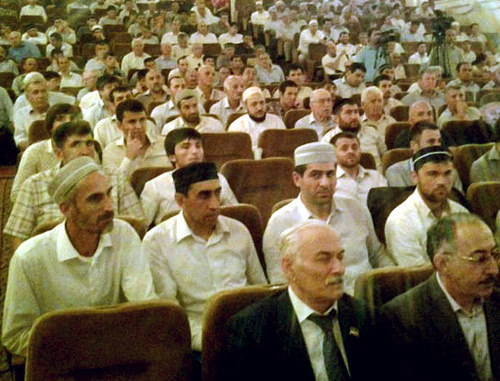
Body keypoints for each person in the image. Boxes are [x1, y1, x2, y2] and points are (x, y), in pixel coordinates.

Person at [2, 156, 156, 356]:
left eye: (109, 194)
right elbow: (15, 335)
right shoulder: (28, 258)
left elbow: (145, 306)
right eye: (95, 199)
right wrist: (79, 349)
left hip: (119, 354)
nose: (109, 207)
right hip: (61, 363)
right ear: (66, 209)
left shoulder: (124, 235)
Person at [225, 220, 377, 381]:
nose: (339, 268)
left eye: (340, 257)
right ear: (288, 268)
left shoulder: (365, 317)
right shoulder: (252, 330)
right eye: (324, 259)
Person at [143, 161, 266, 351]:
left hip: (251, 334)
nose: (215, 205)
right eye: (204, 196)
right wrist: (213, 342)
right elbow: (171, 316)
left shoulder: (238, 231)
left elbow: (260, 291)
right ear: (180, 201)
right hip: (199, 343)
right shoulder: (157, 242)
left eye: (217, 193)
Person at [380, 213, 500, 381]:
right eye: (480, 259)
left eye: (494, 255)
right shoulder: (403, 318)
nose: (493, 270)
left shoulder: (496, 300)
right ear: (443, 264)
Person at [263, 142, 392, 292]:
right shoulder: (280, 223)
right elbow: (281, 282)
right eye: (315, 175)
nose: (325, 183)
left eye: (330, 174)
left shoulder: (356, 209)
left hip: (370, 300)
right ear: (297, 179)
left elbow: (377, 255)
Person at [385, 146, 469, 267]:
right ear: (415, 177)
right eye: (432, 174)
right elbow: (417, 274)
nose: (442, 181)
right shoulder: (401, 220)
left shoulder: (461, 212)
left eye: (447, 173)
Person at [141, 128, 237, 226]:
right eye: (186, 147)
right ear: (172, 157)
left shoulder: (219, 179)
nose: (195, 151)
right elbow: (142, 226)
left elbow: (234, 215)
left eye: (198, 146)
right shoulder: (154, 186)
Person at [11, 103, 80, 201]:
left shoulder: (86, 149)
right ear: (51, 127)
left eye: (72, 119)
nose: (68, 123)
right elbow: (16, 193)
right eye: (61, 119)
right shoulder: (34, 152)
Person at [386, 121, 463, 191]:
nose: (437, 145)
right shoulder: (396, 172)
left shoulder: (449, 169)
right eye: (431, 141)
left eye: (439, 141)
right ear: (414, 145)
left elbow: (458, 200)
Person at [103, 100, 170, 178]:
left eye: (142, 120)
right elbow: (115, 187)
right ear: (119, 125)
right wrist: (128, 159)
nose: (139, 126)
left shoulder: (164, 143)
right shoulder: (110, 152)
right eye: (132, 122)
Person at [323, 98, 386, 171]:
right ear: (336, 119)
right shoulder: (328, 139)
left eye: (356, 112)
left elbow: (384, 157)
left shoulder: (372, 132)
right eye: (348, 113)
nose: (354, 117)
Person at [331, 132, 387, 205]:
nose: (351, 151)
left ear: (360, 151)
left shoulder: (376, 177)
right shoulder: (330, 181)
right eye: (344, 149)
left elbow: (386, 206)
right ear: (333, 154)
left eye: (354, 148)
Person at [227, 86, 286, 153]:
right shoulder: (237, 127)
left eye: (262, 103)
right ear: (246, 106)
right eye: (254, 104)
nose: (259, 108)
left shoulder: (276, 121)